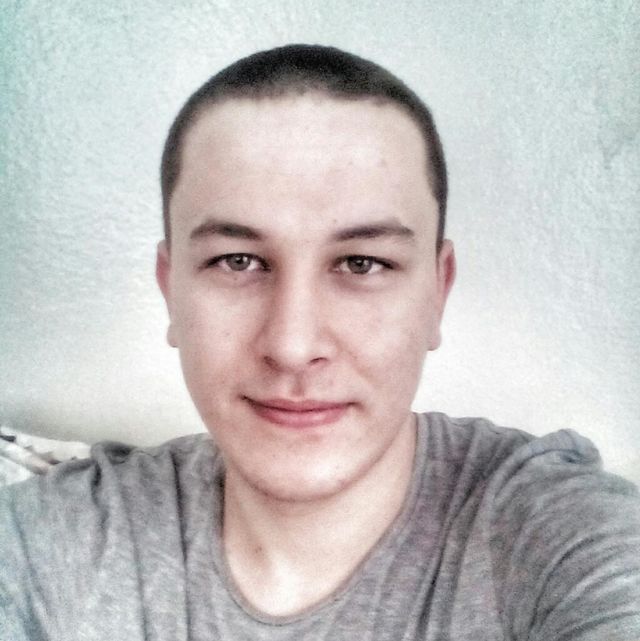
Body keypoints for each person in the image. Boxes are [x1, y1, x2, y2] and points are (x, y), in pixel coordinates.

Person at [1, 44, 639, 641]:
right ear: (171, 290)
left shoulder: (556, 535)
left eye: (362, 263)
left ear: (437, 293)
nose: (292, 345)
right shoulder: (50, 542)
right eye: (237, 261)